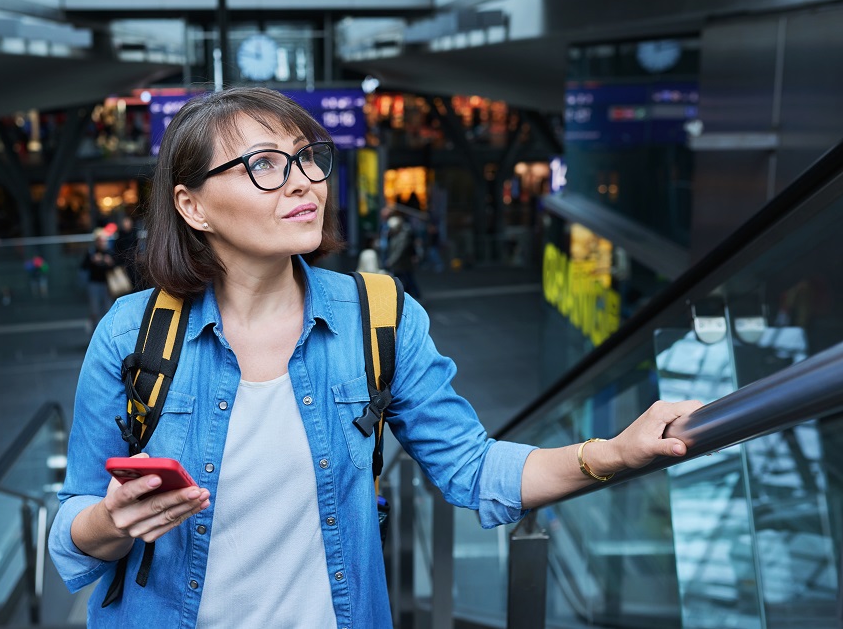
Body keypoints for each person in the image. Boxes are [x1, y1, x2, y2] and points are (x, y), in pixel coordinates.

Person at [49, 88, 703, 627]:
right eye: (265, 164)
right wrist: (110, 521)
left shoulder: (379, 316)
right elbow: (71, 529)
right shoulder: (133, 335)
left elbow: (473, 468)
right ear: (192, 205)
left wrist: (614, 453)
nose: (304, 181)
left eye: (308, 158)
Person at [384, 210, 421, 299]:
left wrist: (391, 261)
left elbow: (399, 251)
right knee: (405, 281)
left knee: (408, 281)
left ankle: (416, 297)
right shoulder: (395, 235)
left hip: (403, 264)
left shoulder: (403, 236)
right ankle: (409, 297)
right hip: (400, 265)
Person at [81, 234, 116, 324]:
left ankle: (107, 329)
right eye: (100, 241)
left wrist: (110, 262)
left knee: (108, 309)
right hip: (94, 283)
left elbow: (117, 266)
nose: (103, 243)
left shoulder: (110, 252)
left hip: (107, 284)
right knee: (94, 310)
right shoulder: (91, 252)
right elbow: (84, 266)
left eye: (104, 241)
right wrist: (92, 260)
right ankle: (94, 330)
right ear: (96, 242)